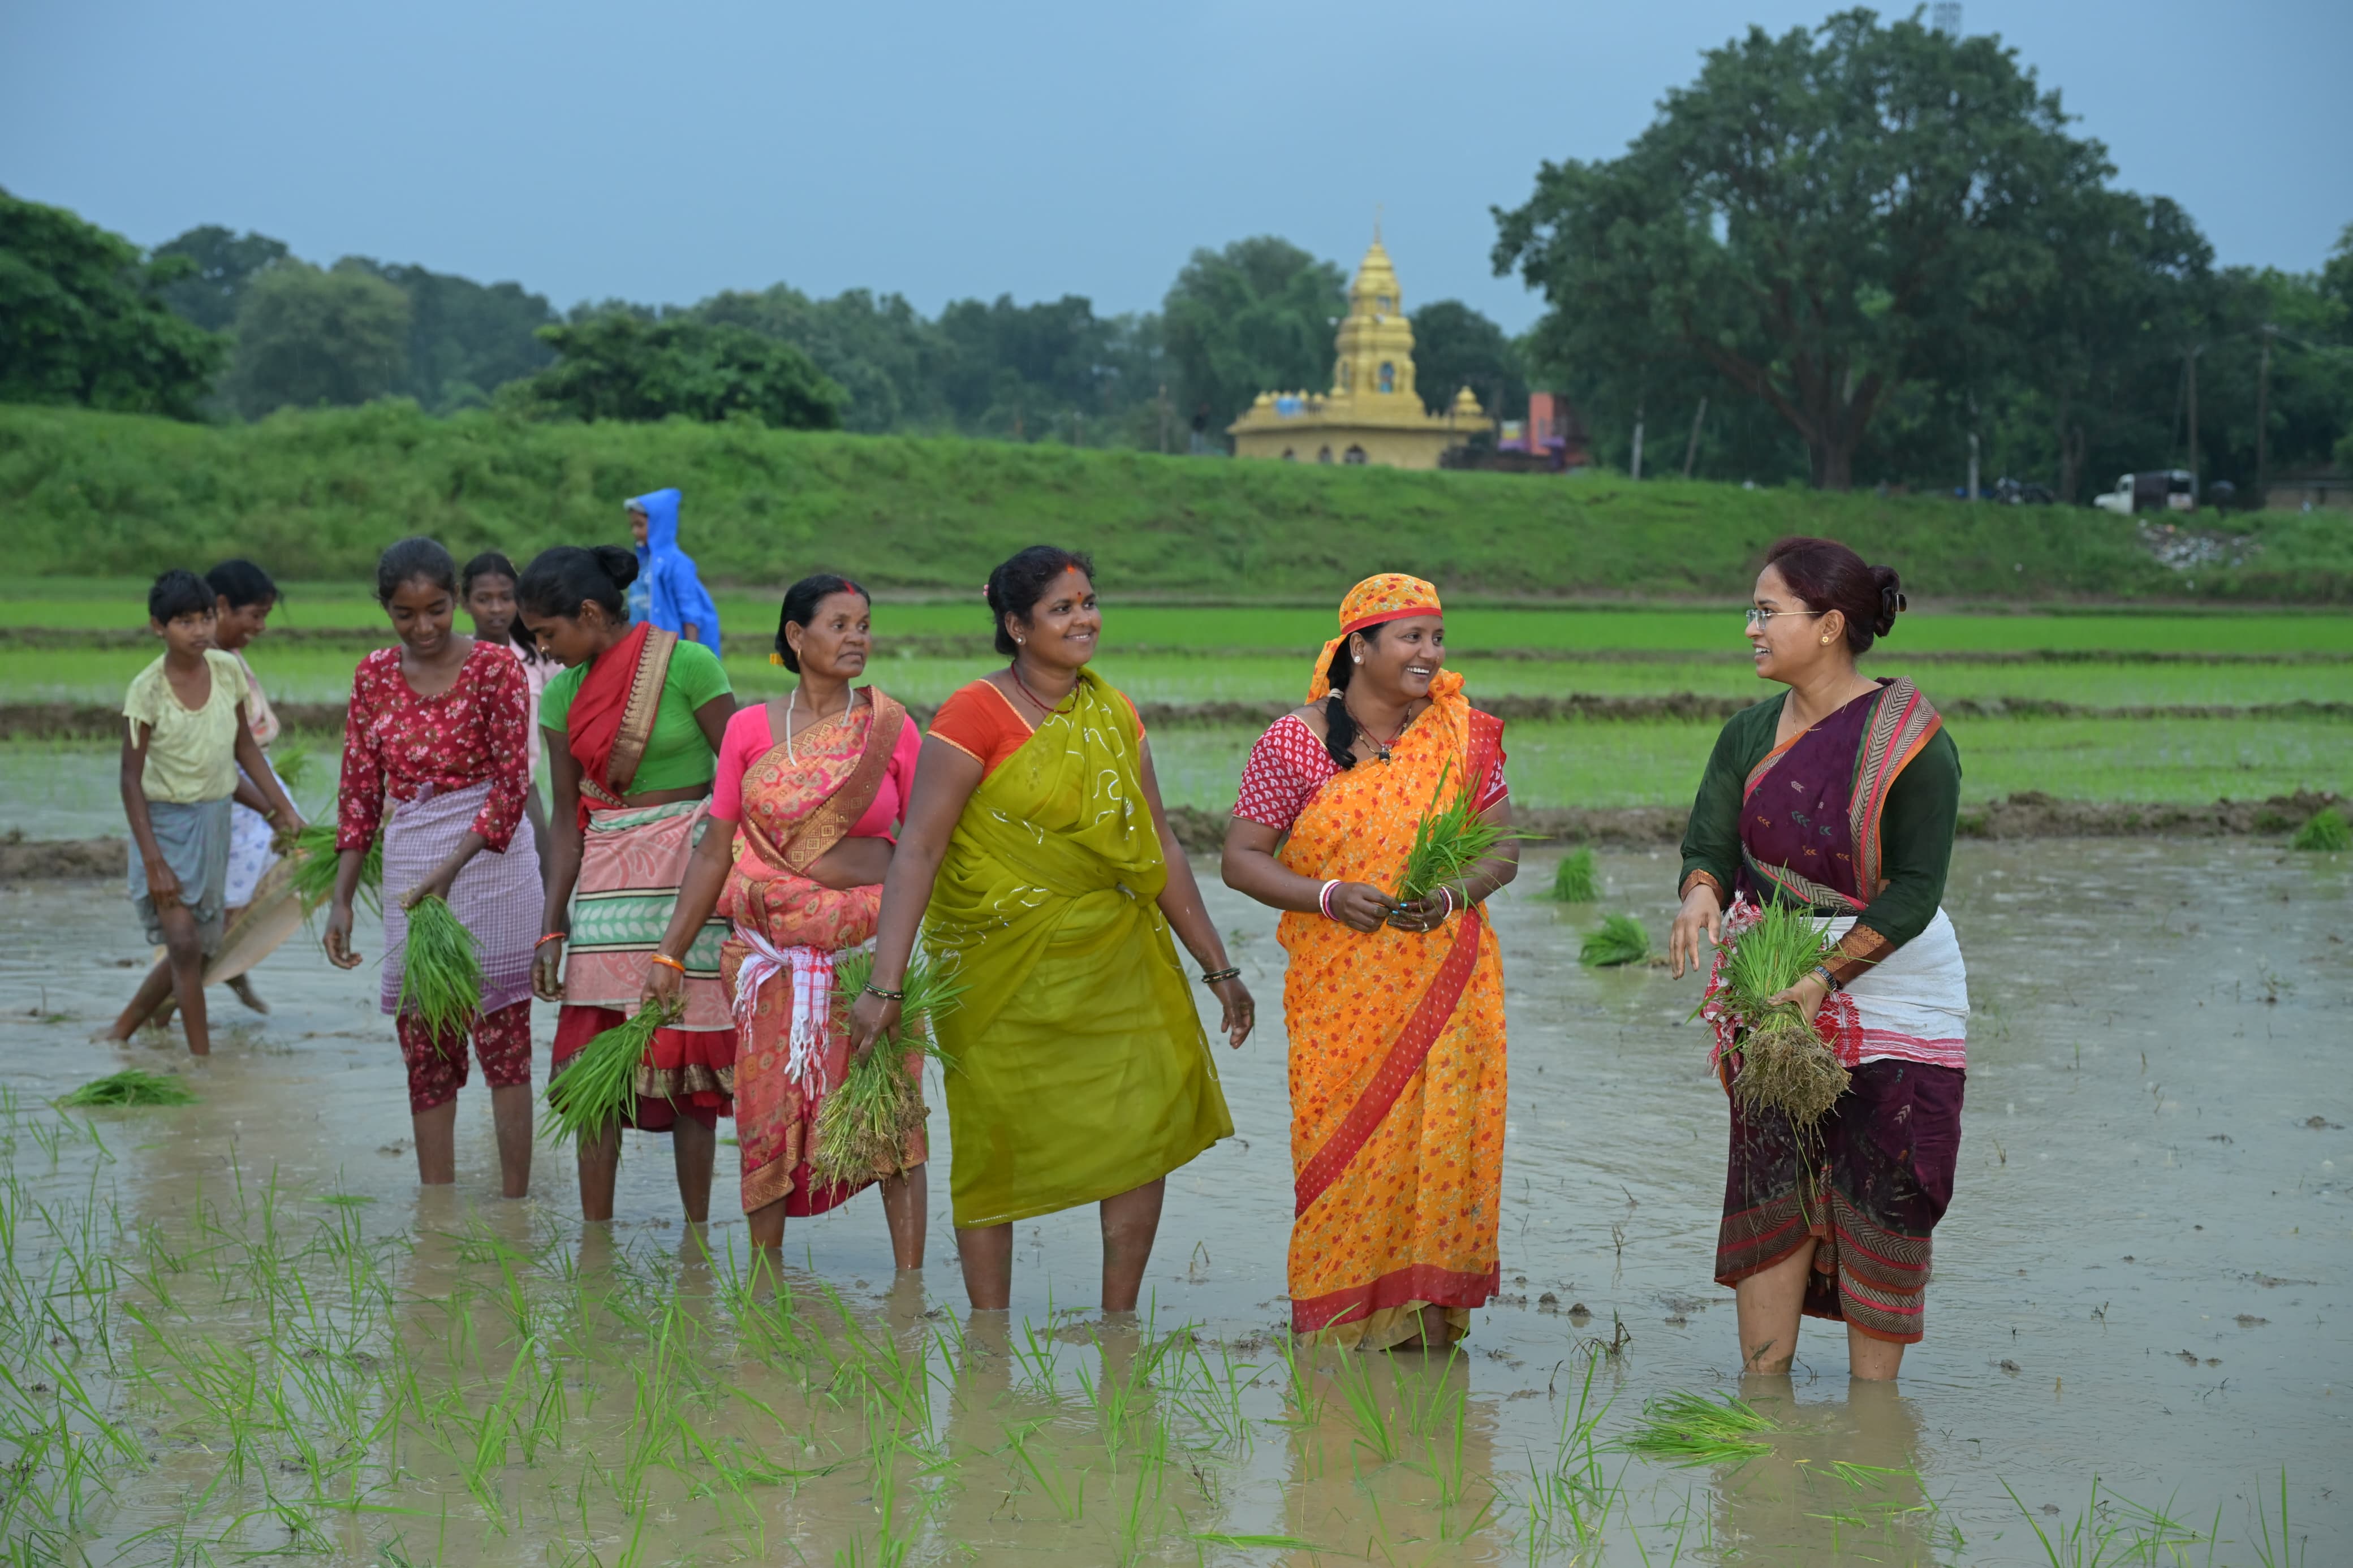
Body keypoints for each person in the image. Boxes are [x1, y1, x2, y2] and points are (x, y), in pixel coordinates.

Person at [846, 546, 1252, 1314]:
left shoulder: (1114, 712)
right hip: (1000, 968)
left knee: (1140, 1128)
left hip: (1117, 960)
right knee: (994, 1139)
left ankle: (1118, 1320)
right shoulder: (974, 714)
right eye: (1062, 608)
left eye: (1089, 602)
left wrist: (1219, 967)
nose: (1083, 619)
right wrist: (885, 982)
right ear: (1016, 625)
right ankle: (988, 1334)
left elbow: (1158, 843)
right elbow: (921, 850)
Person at [1667, 536, 1967, 1382]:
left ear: (1830, 625)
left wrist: (1822, 981)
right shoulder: (1749, 733)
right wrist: (1699, 893)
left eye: (1768, 613)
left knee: (1887, 1188)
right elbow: (1710, 842)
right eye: (1752, 612)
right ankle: (1765, 1405)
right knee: (1770, 1183)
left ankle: (1876, 1419)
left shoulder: (1912, 743)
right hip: (1771, 984)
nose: (1751, 629)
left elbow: (1914, 891)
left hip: (1894, 987)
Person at [1220, 573, 1518, 1350]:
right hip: (1339, 993)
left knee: (1440, 1147)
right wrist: (1324, 895)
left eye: (1437, 638)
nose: (1430, 654)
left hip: (1448, 985)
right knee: (1340, 1151)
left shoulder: (1460, 733)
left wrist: (1452, 897)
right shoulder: (1294, 743)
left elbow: (1503, 849)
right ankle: (1338, 1328)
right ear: (1360, 645)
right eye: (1411, 638)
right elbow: (1242, 859)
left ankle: (1423, 1324)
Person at [642, 573, 928, 1265]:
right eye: (839, 624)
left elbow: (924, 846)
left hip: (866, 962)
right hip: (769, 967)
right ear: (797, 637)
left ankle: (908, 1285)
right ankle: (763, 1285)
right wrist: (669, 955)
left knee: (889, 1116)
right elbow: (716, 850)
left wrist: (867, 882)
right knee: (766, 1116)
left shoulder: (891, 728)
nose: (857, 636)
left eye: (864, 623)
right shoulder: (747, 729)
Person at [520, 545, 736, 1224]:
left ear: (589, 612)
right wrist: (553, 926)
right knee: (592, 1074)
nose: (544, 650)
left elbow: (741, 785)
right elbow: (563, 821)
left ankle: (697, 1238)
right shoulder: (560, 695)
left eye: (548, 633)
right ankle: (595, 1239)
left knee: (688, 1070)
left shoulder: (689, 666)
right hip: (608, 890)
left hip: (688, 881)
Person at [325, 538, 541, 1196]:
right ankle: (437, 1209)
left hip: (491, 865)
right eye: (404, 614)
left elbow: (512, 788)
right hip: (413, 864)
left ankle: (513, 1204)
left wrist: (450, 871)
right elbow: (360, 790)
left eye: (437, 610)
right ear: (386, 610)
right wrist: (339, 898)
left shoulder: (497, 670)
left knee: (503, 1042)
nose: (422, 628)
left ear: (456, 600)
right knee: (426, 1043)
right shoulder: (373, 675)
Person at [107, 570, 303, 1055]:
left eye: (205, 619)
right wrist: (153, 859)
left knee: (201, 944)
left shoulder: (229, 671)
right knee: (184, 943)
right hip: (164, 826)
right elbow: (130, 779)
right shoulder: (147, 690)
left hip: (214, 821)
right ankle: (201, 1063)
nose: (197, 630)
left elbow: (242, 750)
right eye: (183, 621)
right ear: (158, 626)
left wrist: (279, 810)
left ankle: (123, 1032)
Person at [461, 550, 557, 872]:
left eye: (505, 598)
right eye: (484, 599)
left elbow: (566, 720)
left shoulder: (538, 658)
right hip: (465, 798)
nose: (496, 609)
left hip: (522, 796)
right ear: (465, 603)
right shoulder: (455, 659)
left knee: (544, 894)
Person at [625, 489, 719, 646]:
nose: (635, 532)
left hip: (671, 650)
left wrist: (692, 653)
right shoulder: (643, 563)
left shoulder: (678, 563)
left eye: (640, 525)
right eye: (633, 525)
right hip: (644, 649)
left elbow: (690, 611)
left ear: (659, 525)